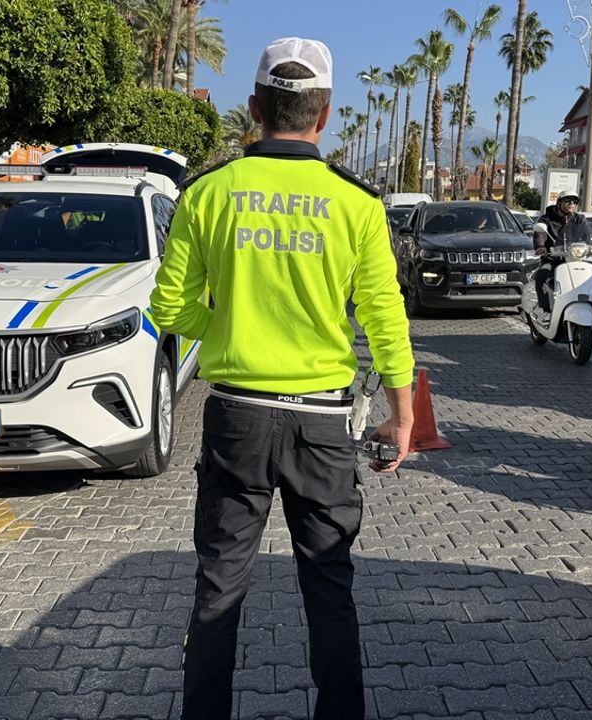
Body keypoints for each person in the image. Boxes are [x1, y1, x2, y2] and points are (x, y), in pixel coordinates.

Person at [150, 37, 415, 720]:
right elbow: (384, 316)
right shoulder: (356, 203)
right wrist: (403, 413)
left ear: (254, 108)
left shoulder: (208, 193)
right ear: (323, 115)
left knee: (218, 587)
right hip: (322, 423)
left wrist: (226, 330)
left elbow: (169, 308)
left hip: (236, 416)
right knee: (329, 588)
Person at [532, 193, 592, 317]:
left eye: (574, 202)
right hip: (554, 259)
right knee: (542, 275)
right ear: (559, 203)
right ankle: (544, 309)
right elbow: (540, 234)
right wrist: (540, 247)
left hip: (575, 259)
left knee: (591, 275)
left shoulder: (579, 219)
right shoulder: (547, 218)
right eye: (568, 201)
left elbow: (589, 232)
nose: (572, 204)